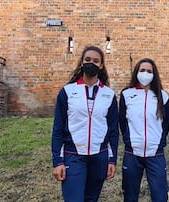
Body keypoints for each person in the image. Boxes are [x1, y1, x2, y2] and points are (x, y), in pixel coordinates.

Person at [51, 46, 119, 202]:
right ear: (82, 62)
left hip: (99, 156)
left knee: (91, 199)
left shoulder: (108, 95)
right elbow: (58, 128)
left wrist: (112, 159)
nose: (91, 63)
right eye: (87, 60)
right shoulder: (67, 92)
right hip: (74, 155)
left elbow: (113, 130)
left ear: (101, 65)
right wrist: (58, 161)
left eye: (96, 61)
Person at [119, 58, 169, 202]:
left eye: (149, 71)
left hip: (155, 153)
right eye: (142, 70)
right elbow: (122, 121)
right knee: (130, 195)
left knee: (160, 196)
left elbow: (166, 123)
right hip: (132, 153)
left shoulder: (163, 96)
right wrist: (129, 140)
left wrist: (159, 141)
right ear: (136, 72)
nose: (145, 74)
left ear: (154, 75)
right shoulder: (127, 94)